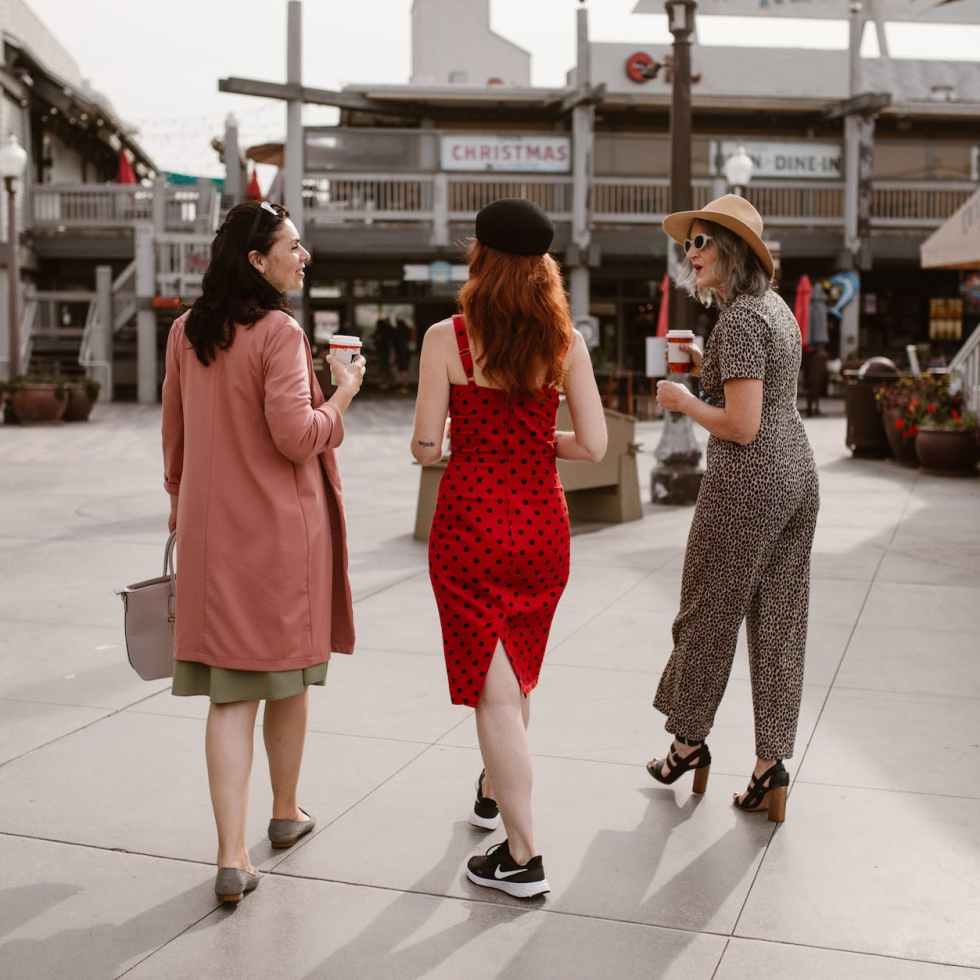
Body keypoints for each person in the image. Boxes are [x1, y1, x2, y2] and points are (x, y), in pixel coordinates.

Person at [161, 200, 366, 903]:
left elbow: (174, 435)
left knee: (229, 696)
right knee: (287, 679)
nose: (303, 257)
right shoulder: (280, 332)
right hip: (280, 535)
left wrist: (179, 502)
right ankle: (284, 811)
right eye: (293, 246)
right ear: (257, 260)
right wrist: (342, 396)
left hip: (210, 535)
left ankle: (231, 854)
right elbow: (296, 436)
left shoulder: (186, 330)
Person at [411, 198, 606, 898]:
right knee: (514, 671)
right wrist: (537, 439)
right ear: (544, 269)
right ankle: (493, 793)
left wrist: (458, 438)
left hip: (470, 526)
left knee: (493, 694)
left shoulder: (447, 339)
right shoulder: (565, 342)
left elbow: (425, 446)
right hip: (540, 528)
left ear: (481, 260)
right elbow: (594, 445)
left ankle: (524, 856)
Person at [648, 195, 819, 824]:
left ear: (732, 250)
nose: (690, 253)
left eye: (701, 242)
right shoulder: (773, 310)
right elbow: (764, 392)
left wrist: (683, 400)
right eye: (687, 243)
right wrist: (707, 363)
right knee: (779, 623)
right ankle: (770, 763)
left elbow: (741, 426)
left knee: (707, 615)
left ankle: (687, 745)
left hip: (747, 482)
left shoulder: (740, 320)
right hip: (796, 475)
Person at [393, 316, 413, 392]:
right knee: (405, 370)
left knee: (402, 370)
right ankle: (404, 386)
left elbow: (396, 344)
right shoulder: (406, 331)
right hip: (406, 353)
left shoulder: (398, 332)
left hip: (401, 354)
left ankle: (403, 386)